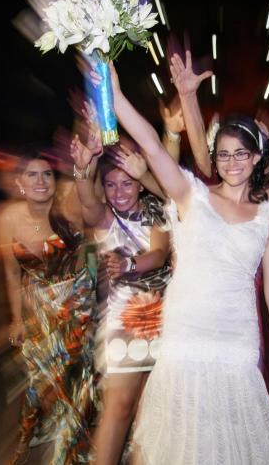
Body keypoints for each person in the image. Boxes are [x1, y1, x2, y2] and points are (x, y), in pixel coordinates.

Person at [86, 59, 269, 464]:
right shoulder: (192, 196)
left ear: (257, 157)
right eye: (224, 154)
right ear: (214, 158)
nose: (232, 162)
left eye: (241, 154)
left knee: (232, 440)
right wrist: (114, 95)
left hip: (236, 339)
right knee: (181, 437)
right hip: (185, 333)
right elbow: (152, 146)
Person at [70, 132, 172, 464]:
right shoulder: (105, 218)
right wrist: (82, 170)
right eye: (111, 185)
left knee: (151, 410)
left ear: (141, 185)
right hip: (123, 321)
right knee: (119, 407)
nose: (119, 192)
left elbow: (159, 254)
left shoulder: (158, 212)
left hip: (165, 319)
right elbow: (88, 202)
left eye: (127, 184)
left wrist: (128, 263)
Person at [0, 152, 98, 464]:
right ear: (20, 182)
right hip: (36, 312)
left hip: (74, 308)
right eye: (32, 174)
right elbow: (11, 273)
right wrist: (16, 319)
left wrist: (88, 159)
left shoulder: (69, 208)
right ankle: (27, 440)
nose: (41, 181)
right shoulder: (9, 218)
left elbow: (91, 191)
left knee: (74, 381)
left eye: (47, 174)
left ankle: (73, 451)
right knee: (38, 385)